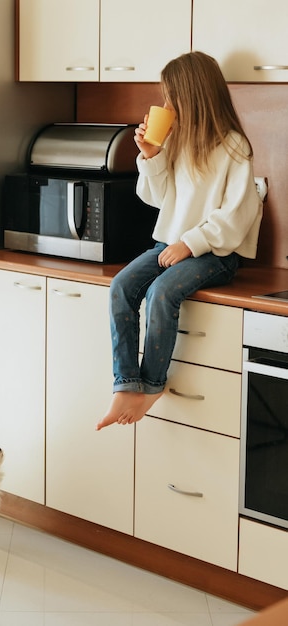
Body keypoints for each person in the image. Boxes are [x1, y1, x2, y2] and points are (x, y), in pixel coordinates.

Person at [96, 51, 263, 431]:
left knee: (161, 293)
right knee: (121, 286)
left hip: (215, 254)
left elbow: (236, 216)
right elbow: (157, 198)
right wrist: (151, 156)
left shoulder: (235, 147)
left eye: (173, 97)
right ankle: (126, 384)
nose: (167, 106)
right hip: (171, 245)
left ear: (194, 96)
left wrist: (189, 243)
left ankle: (152, 385)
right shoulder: (177, 141)